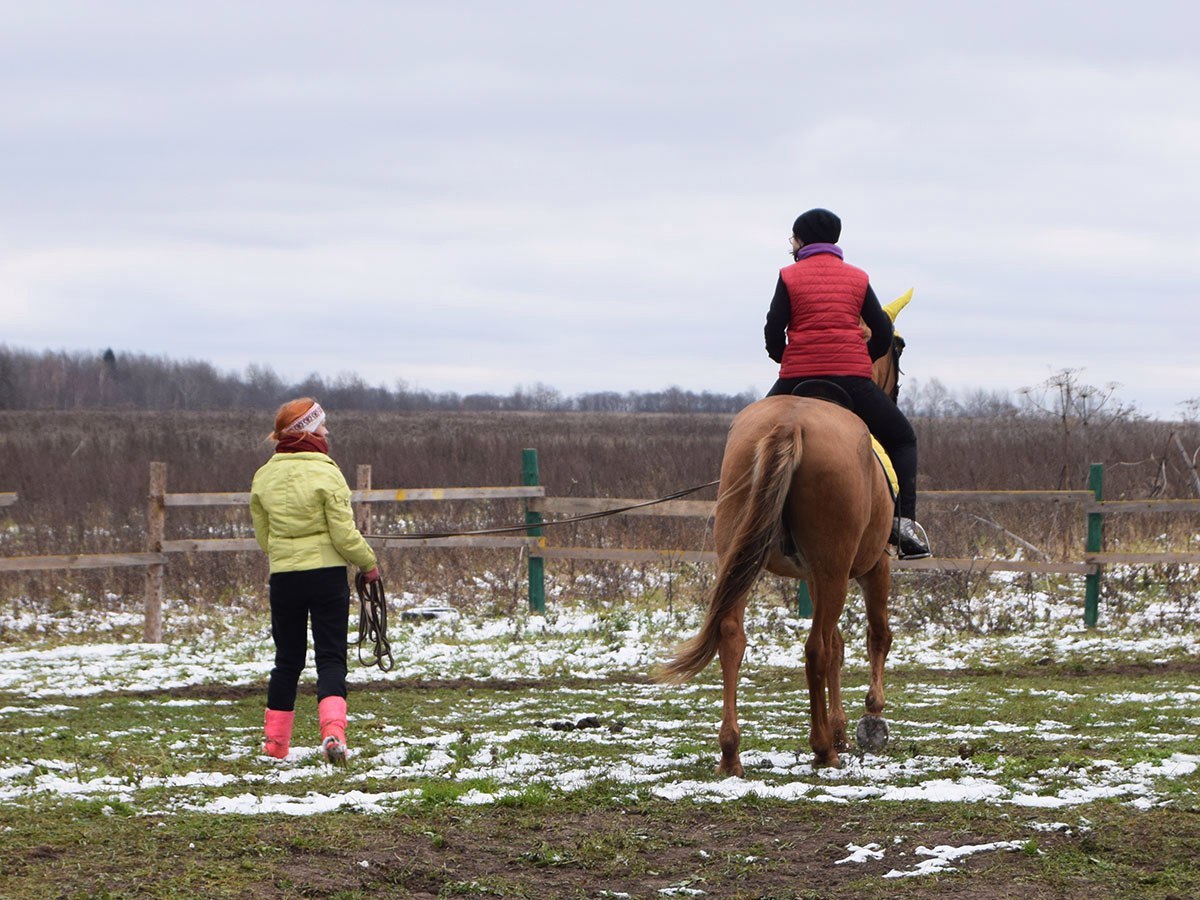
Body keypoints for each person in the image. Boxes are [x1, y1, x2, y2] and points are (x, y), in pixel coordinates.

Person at [763, 208, 931, 559]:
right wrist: (861, 357)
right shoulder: (857, 278)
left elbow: (773, 327)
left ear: (801, 240)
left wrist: (785, 358)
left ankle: (735, 512)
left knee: (747, 431)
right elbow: (882, 329)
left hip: (796, 379)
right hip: (851, 380)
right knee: (902, 438)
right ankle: (903, 525)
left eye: (793, 239)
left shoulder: (789, 276)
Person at [250, 398, 380, 763]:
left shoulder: (264, 475)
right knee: (330, 657)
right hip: (326, 577)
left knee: (287, 660)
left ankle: (275, 746)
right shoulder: (327, 472)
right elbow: (343, 534)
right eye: (322, 426)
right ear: (308, 431)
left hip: (285, 578)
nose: (327, 431)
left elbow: (264, 537)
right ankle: (334, 734)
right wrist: (367, 562)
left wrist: (287, 552)